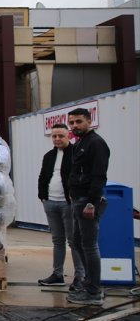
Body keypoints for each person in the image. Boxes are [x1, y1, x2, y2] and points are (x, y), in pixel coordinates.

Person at [66, 108, 110, 306]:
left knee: (90, 245)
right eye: (72, 122)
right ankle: (88, 282)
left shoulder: (96, 143)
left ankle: (93, 291)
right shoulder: (80, 143)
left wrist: (92, 202)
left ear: (89, 121)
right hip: (78, 200)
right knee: (77, 241)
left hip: (87, 201)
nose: (75, 126)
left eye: (79, 122)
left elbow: (99, 175)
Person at [37, 123, 85, 289]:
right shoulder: (48, 156)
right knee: (57, 240)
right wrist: (42, 196)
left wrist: (75, 199)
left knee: (74, 241)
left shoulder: (76, 153)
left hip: (68, 204)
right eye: (54, 136)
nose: (57, 139)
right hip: (50, 202)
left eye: (61, 136)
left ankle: (80, 276)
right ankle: (58, 274)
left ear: (69, 136)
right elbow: (43, 176)